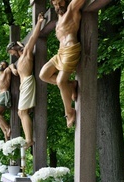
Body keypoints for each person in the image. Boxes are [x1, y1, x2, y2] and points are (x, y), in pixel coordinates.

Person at [39, 0, 85, 128]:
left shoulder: (71, 9)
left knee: (60, 81)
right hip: (60, 53)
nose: (58, 6)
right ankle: (71, 85)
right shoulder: (58, 19)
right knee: (43, 75)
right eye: (55, 5)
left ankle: (69, 112)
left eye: (60, 3)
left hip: (71, 49)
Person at [7, 12, 46, 149]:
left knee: (22, 112)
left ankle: (29, 140)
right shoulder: (19, 61)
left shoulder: (27, 54)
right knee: (21, 112)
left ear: (14, 49)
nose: (11, 55)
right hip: (24, 85)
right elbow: (16, 71)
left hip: (28, 82)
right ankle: (28, 138)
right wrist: (12, 67)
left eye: (11, 52)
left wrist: (40, 22)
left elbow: (33, 38)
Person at [0, 61, 13, 141]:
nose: (1, 66)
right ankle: (4, 131)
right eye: (0, 64)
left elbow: (11, 66)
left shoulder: (7, 70)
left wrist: (12, 68)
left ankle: (8, 128)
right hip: (1, 96)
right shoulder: (0, 75)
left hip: (4, 95)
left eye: (3, 65)